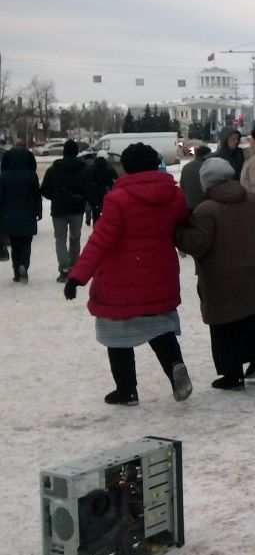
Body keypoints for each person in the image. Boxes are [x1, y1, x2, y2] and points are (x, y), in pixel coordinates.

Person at [64, 143, 193, 406]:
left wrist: (77, 277)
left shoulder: (118, 199)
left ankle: (127, 391)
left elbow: (100, 241)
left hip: (121, 282)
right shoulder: (174, 195)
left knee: (118, 336)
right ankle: (176, 368)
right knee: (161, 329)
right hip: (160, 277)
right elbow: (183, 225)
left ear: (127, 167)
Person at [176, 158, 255, 389]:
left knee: (227, 329)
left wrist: (178, 232)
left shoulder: (206, 210)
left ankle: (233, 375)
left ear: (206, 184)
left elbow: (198, 244)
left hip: (222, 281)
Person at [41, 140, 92, 282]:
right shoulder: (84, 169)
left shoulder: (53, 169)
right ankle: (74, 265)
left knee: (60, 239)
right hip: (77, 209)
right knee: (75, 238)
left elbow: (45, 190)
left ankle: (64, 268)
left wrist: (56, 197)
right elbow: (89, 189)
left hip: (59, 209)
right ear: (76, 152)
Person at [0, 146, 42, 283]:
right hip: (27, 212)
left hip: (9, 214)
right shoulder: (31, 175)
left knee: (15, 243)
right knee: (26, 243)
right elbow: (37, 196)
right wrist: (38, 212)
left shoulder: (4, 176)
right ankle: (24, 265)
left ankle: (16, 270)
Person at [87, 151, 117, 225]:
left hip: (95, 194)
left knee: (96, 214)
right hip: (107, 193)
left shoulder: (91, 168)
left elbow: (87, 182)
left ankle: (96, 227)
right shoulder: (110, 168)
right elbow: (116, 180)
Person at [179, 145, 212, 211]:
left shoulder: (186, 167)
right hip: (203, 204)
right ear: (206, 155)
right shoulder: (207, 167)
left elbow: (182, 185)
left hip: (188, 203)